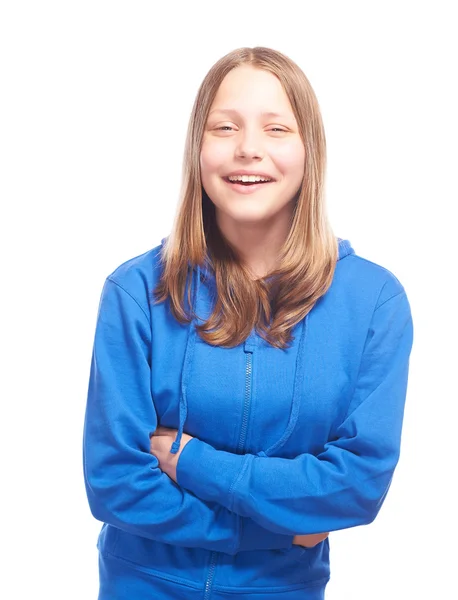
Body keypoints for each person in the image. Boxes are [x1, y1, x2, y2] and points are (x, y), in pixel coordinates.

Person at [83, 46, 414, 600]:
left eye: (276, 128)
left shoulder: (374, 301)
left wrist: (190, 459)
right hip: (142, 586)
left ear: (309, 150)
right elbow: (116, 484)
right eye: (225, 127)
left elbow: (356, 487)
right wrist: (278, 529)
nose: (248, 150)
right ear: (198, 148)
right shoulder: (136, 291)